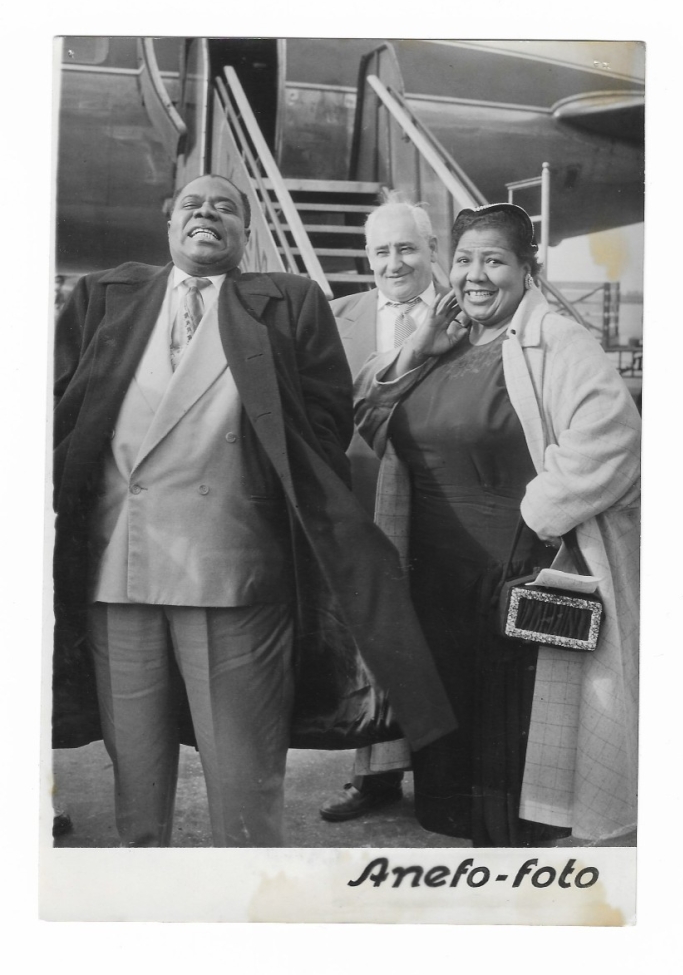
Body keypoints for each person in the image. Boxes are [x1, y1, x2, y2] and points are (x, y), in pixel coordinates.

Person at [53, 173, 456, 848]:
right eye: (192, 204)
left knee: (244, 787)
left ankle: (243, 906)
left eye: (225, 207)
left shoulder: (288, 301)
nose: (207, 214)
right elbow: (59, 404)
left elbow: (326, 425)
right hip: (117, 570)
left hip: (235, 570)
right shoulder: (105, 295)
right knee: (136, 782)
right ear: (169, 222)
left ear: (247, 232)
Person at [354, 203, 641, 846]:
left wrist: (536, 518)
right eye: (464, 260)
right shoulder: (446, 339)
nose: (476, 275)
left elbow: (615, 438)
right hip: (432, 571)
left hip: (513, 568)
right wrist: (417, 348)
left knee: (509, 736)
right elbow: (367, 419)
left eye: (494, 261)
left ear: (526, 269)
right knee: (448, 729)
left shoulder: (556, 338)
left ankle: (512, 871)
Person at [320, 197, 448, 822]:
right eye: (381, 251)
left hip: (448, 493)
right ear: (366, 257)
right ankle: (374, 775)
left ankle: (448, 772)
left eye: (407, 248)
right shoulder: (337, 316)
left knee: (442, 626)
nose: (394, 263)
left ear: (432, 250)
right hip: (366, 496)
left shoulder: (468, 310)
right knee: (374, 631)